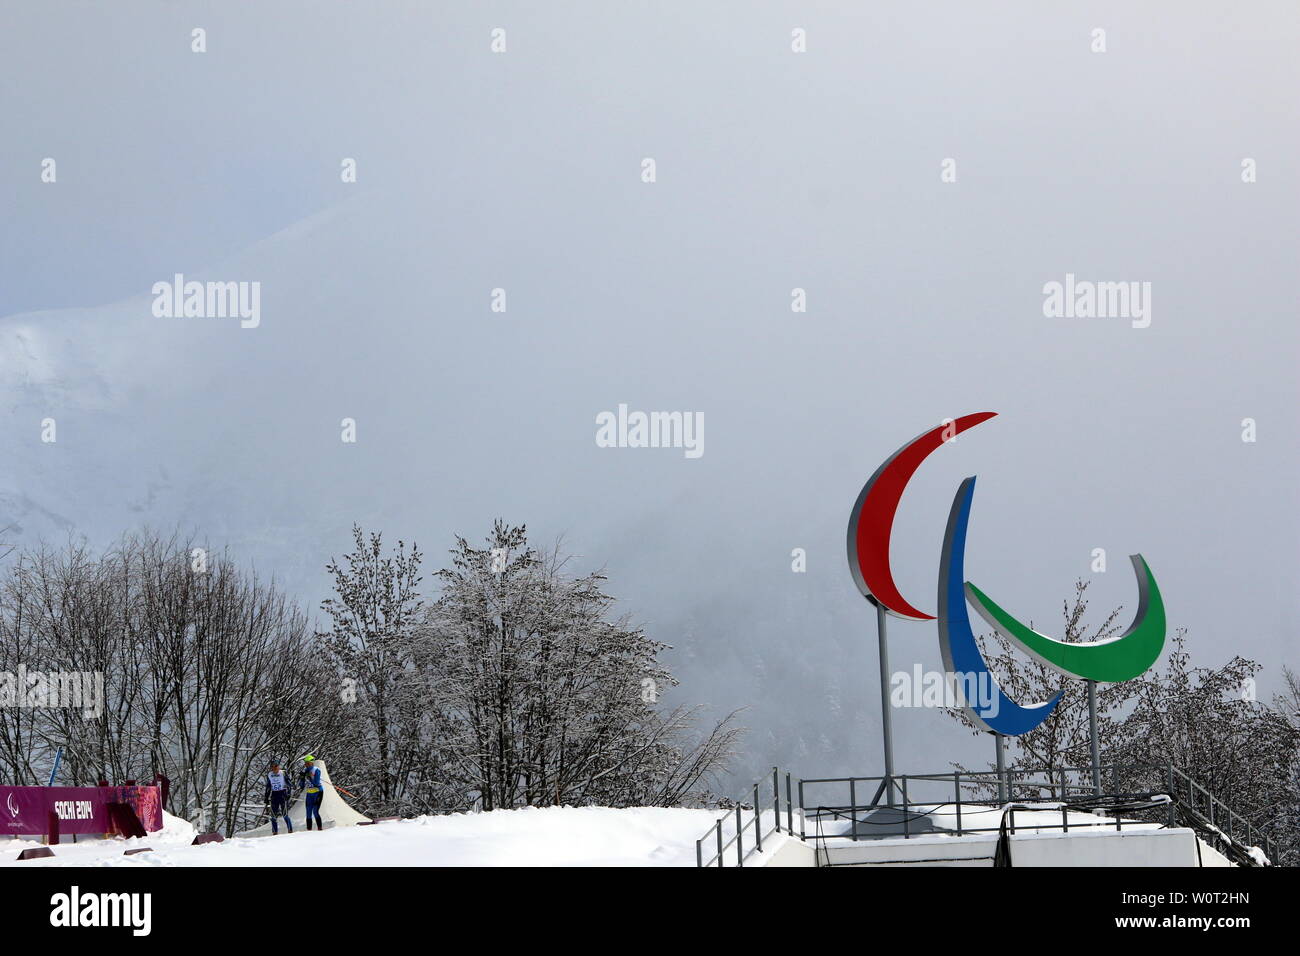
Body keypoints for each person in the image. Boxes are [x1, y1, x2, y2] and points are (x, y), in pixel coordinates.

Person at [264, 761, 293, 835]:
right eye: (272, 767)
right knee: (273, 816)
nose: (274, 768)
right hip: (274, 795)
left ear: (278, 766)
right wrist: (266, 797)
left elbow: (289, 783)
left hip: (282, 794)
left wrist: (288, 794)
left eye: (276, 766)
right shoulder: (270, 774)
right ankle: (275, 832)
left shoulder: (283, 773)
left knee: (285, 814)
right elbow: (268, 786)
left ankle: (290, 830)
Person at [301, 754, 324, 831]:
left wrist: (310, 777)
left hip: (318, 792)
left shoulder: (316, 770)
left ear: (312, 763)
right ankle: (309, 830)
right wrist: (301, 778)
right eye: (305, 763)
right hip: (309, 794)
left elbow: (316, 783)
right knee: (308, 812)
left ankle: (320, 828)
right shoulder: (305, 770)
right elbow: (301, 786)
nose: (306, 765)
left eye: (307, 763)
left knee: (315, 811)